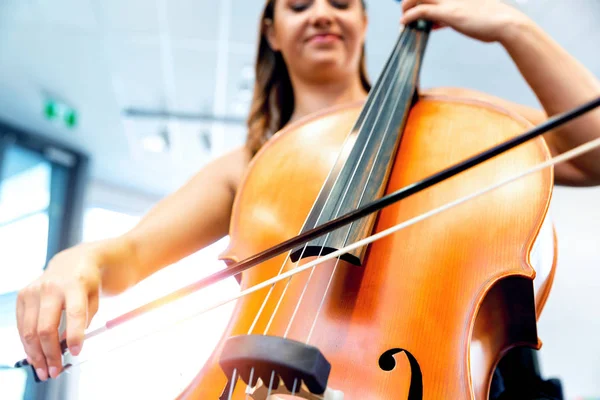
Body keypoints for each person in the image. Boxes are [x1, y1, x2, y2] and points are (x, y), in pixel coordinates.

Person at [15, 0, 600, 396]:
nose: (321, 12)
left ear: (365, 23)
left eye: (341, 1)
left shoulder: (455, 127)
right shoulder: (253, 166)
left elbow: (593, 152)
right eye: (297, 4)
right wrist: (71, 265)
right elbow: (126, 255)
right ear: (270, 29)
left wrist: (513, 27)